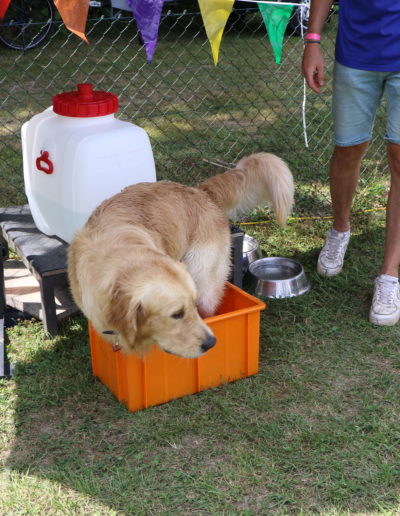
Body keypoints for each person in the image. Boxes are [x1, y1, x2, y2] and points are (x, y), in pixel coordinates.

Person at [301, 0, 400, 326]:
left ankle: (389, 274)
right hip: (356, 55)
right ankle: (340, 229)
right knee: (348, 149)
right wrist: (313, 41)